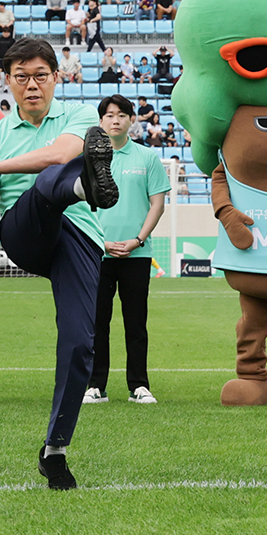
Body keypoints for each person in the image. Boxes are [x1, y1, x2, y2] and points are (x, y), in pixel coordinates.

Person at [0, 37, 121, 491]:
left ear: (56, 77)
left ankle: (55, 450)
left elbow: (60, 153)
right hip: (24, 231)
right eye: (21, 77)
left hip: (79, 236)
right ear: (7, 81)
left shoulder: (78, 115)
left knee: (80, 343)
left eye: (40, 76)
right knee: (46, 185)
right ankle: (83, 187)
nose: (32, 85)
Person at [87, 95, 169, 404]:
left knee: (136, 323)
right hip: (98, 253)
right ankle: (96, 385)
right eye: (109, 115)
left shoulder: (147, 158)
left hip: (137, 254)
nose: (115, 120)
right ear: (101, 121)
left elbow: (157, 205)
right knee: (98, 323)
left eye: (122, 114)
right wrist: (101, 241)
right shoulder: (88, 160)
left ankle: (139, 385)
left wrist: (137, 240)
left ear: (132, 120)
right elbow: (79, 207)